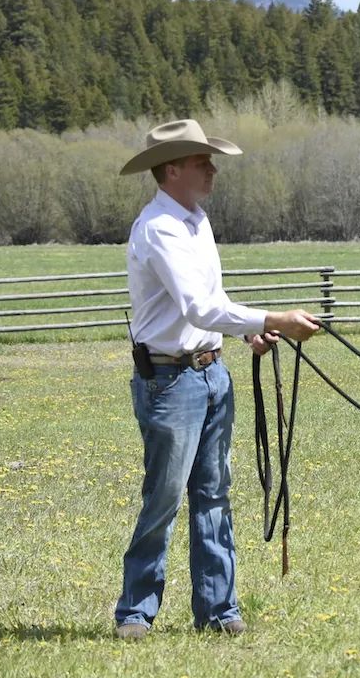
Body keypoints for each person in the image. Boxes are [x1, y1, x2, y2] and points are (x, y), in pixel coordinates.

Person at [112, 119, 321, 640]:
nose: (212, 169)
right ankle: (135, 611)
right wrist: (273, 318)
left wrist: (248, 332)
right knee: (165, 497)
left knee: (214, 492)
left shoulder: (195, 221)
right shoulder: (158, 228)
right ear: (172, 169)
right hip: (169, 380)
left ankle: (219, 608)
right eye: (201, 161)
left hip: (210, 373)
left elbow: (213, 302)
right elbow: (198, 307)